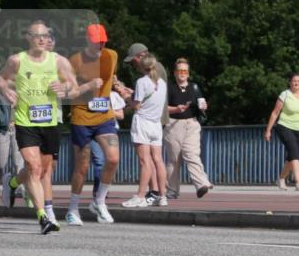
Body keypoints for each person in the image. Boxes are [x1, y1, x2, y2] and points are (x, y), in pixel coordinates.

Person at [0, 20, 87, 234]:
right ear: (28, 37)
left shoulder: (59, 61)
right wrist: (5, 90)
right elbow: (1, 78)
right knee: (34, 167)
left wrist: (64, 88)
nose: (42, 39)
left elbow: (74, 87)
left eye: (45, 35)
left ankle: (12, 183)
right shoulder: (17, 60)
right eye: (37, 35)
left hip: (49, 122)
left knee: (44, 169)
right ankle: (42, 217)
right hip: (25, 121)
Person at [64, 24, 120, 226]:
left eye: (103, 40)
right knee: (82, 166)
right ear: (88, 40)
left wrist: (120, 87)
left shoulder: (112, 55)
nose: (101, 44)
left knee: (113, 159)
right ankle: (72, 208)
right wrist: (88, 86)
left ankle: (99, 201)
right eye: (97, 41)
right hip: (81, 118)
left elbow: (111, 77)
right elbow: (68, 93)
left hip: (104, 115)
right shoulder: (75, 60)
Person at [123, 42, 168, 202]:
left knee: (145, 160)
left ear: (141, 61)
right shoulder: (161, 82)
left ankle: (140, 196)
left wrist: (125, 95)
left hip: (143, 122)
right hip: (156, 123)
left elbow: (137, 105)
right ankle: (162, 196)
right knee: (158, 160)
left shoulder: (142, 81)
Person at [164, 57, 213, 200]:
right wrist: (176, 109)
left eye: (185, 71)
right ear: (174, 72)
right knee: (174, 160)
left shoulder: (194, 87)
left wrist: (204, 106)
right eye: (179, 70)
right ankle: (172, 190)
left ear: (189, 73)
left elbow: (201, 103)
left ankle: (201, 184)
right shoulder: (169, 87)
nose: (182, 73)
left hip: (191, 124)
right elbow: (162, 108)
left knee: (191, 154)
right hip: (173, 125)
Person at [265, 72, 299, 192]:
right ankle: (298, 182)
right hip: (284, 126)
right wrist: (268, 130)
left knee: (292, 156)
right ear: (290, 82)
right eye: (294, 81)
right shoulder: (285, 94)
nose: (296, 83)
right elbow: (275, 113)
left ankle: (281, 179)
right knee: (294, 152)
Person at [0, 90, 25, 199]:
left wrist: (17, 103)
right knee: (1, 162)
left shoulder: (22, 92)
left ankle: (18, 187)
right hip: (2, 131)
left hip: (18, 129)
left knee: (18, 161)